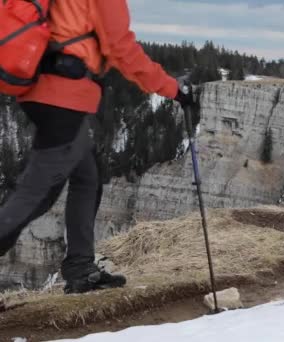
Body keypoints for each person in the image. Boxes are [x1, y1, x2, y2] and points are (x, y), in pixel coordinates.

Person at [0, 0, 191, 294]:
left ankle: (80, 268)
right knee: (37, 194)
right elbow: (122, 49)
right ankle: (79, 269)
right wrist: (173, 89)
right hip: (63, 95)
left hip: (42, 89)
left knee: (87, 178)